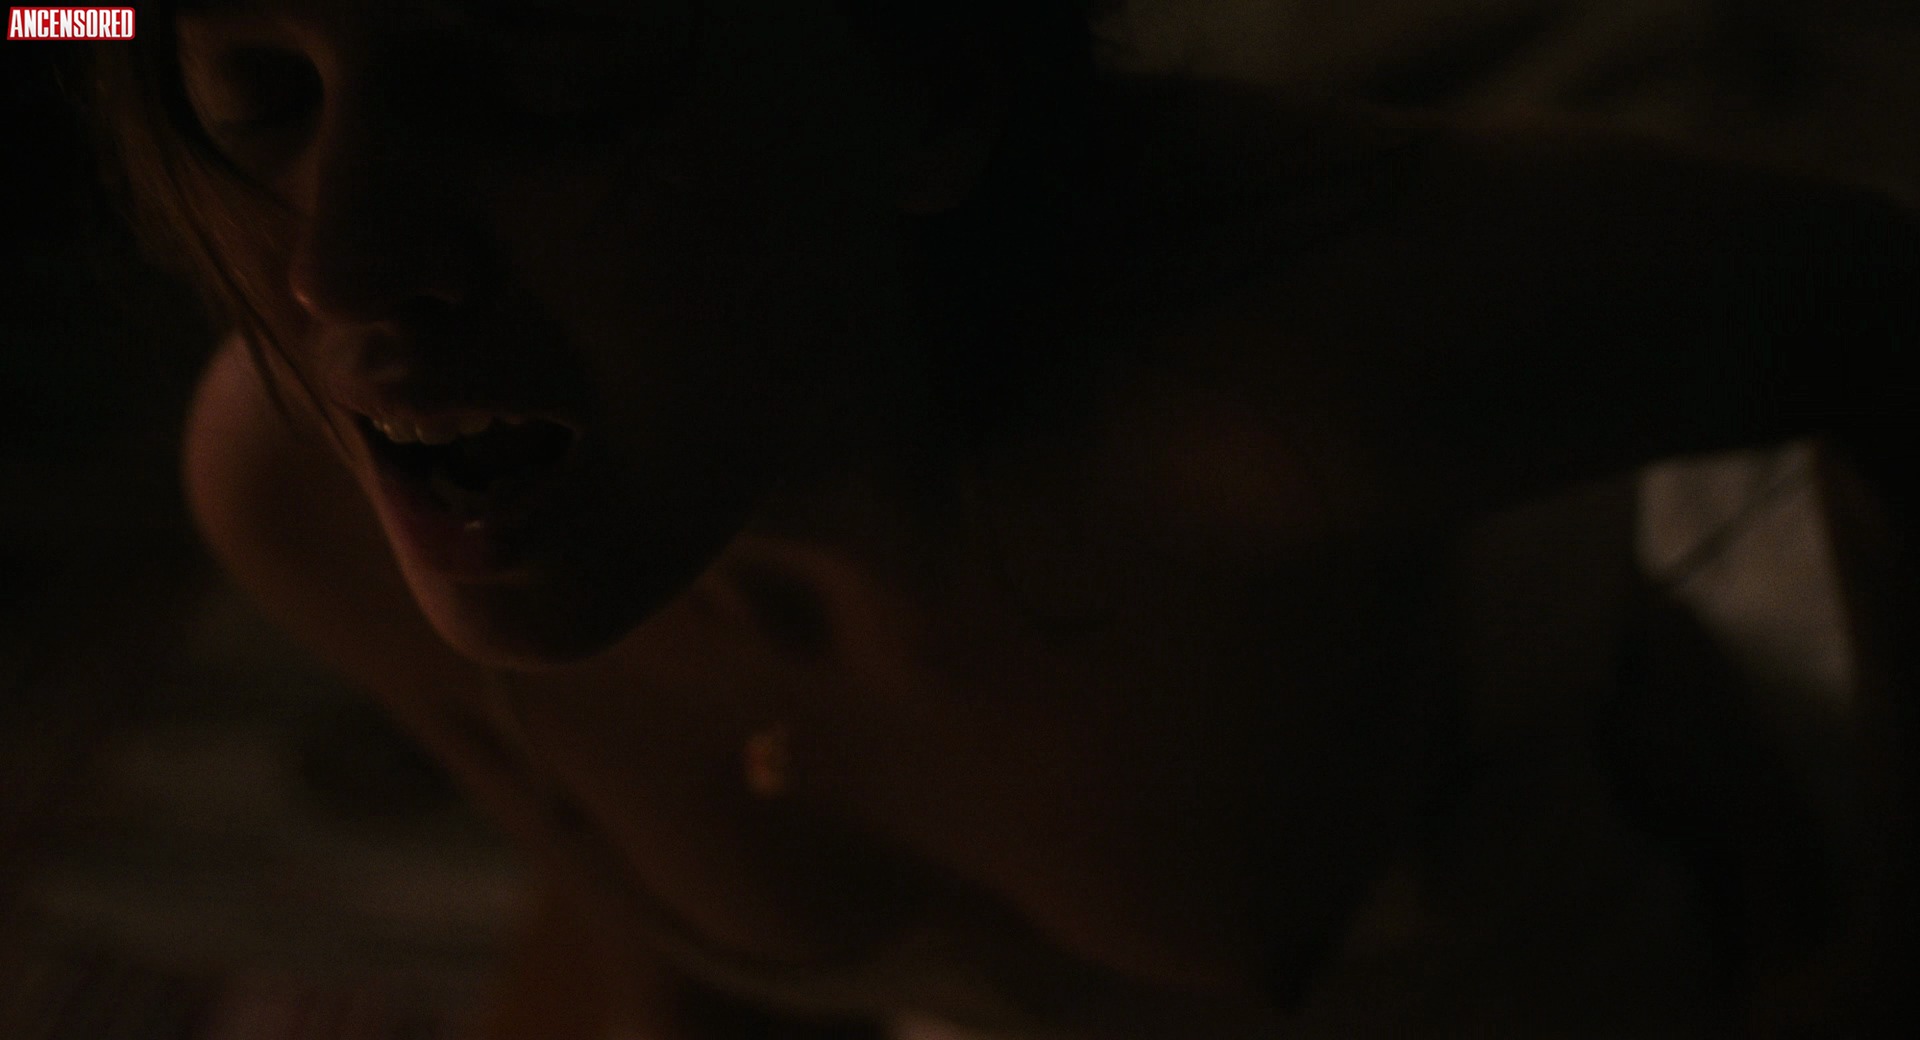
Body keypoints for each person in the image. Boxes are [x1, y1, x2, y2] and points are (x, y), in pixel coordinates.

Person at [95, 0, 1916, 1035]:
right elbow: (653, 938)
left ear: (925, 79)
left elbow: (1884, 317)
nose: (341, 268)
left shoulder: (1264, 417)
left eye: (533, 80)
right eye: (255, 92)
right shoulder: (300, 491)